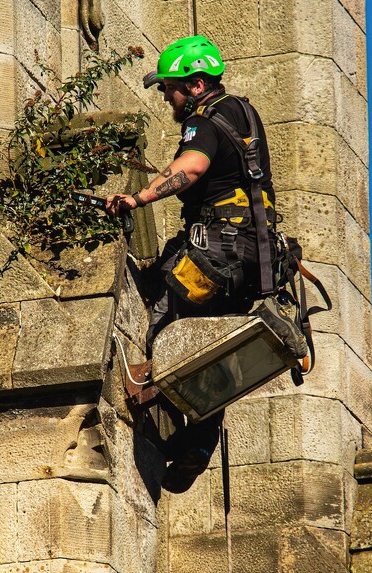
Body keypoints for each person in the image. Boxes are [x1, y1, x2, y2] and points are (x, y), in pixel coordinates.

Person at [106, 35, 278, 490]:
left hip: (215, 256)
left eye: (170, 87)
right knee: (212, 351)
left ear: (196, 84)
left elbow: (193, 167)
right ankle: (198, 445)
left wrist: (138, 197)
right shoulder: (244, 114)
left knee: (166, 322)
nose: (166, 96)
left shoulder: (204, 121)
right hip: (251, 266)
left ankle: (151, 388)